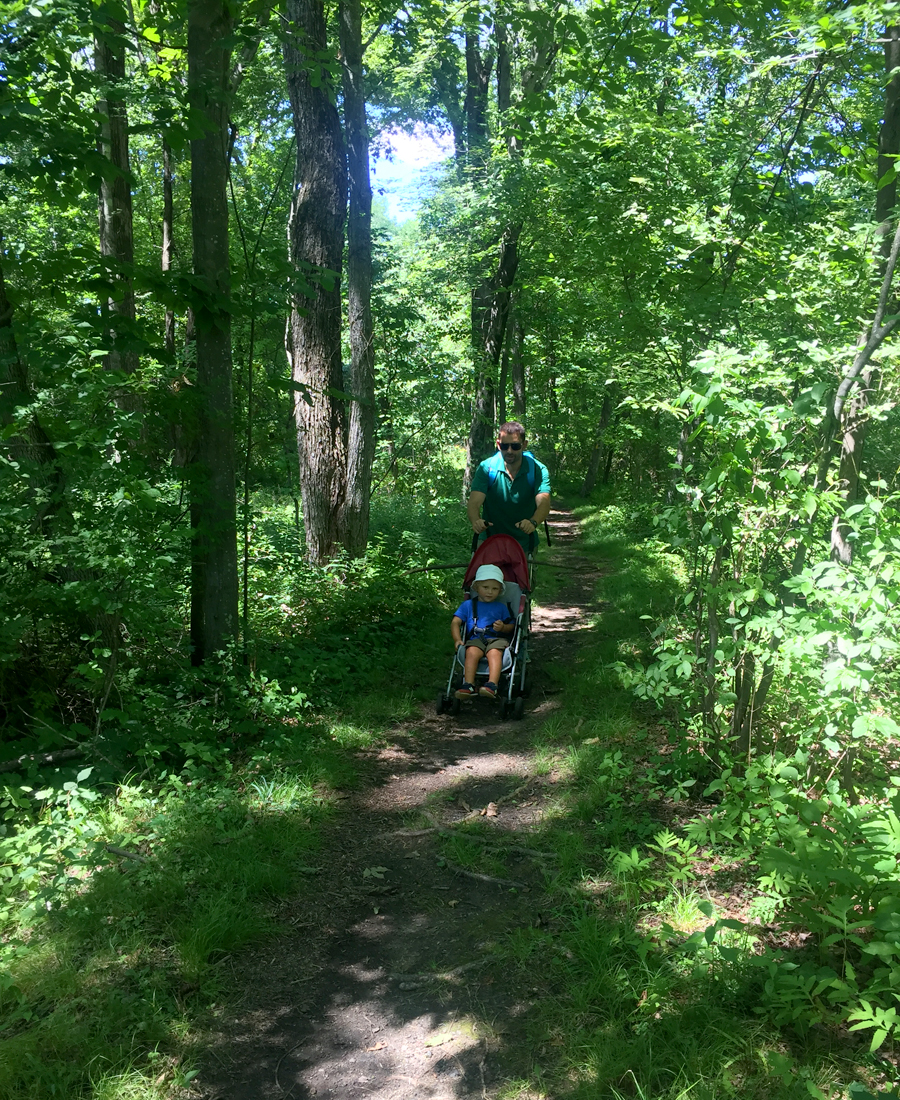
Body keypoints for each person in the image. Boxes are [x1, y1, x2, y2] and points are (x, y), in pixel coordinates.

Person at [467, 421, 551, 550]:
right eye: (505, 446)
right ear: (498, 445)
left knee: (523, 571)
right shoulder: (487, 468)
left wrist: (532, 523)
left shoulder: (538, 469)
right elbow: (474, 502)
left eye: (515, 446)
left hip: (525, 542)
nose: (509, 451)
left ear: (524, 445)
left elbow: (544, 503)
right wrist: (476, 521)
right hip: (489, 541)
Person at [450, 564, 514, 700]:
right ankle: (468, 684)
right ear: (476, 588)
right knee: (471, 651)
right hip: (476, 638)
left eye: (495, 588)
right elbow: (455, 622)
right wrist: (457, 639)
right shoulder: (468, 605)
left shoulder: (501, 607)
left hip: (496, 639)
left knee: (494, 653)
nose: (490, 592)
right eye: (486, 587)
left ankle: (492, 685)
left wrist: (503, 627)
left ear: (500, 591)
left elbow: (512, 626)